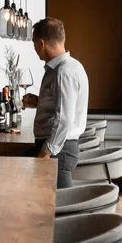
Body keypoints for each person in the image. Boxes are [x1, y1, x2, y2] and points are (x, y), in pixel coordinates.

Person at [22, 18, 89, 188]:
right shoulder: (70, 67)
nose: (34, 49)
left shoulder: (63, 72)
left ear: (41, 43)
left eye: (34, 44)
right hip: (60, 148)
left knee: (58, 210)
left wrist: (45, 154)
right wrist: (40, 102)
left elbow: (64, 120)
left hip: (58, 150)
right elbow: (64, 107)